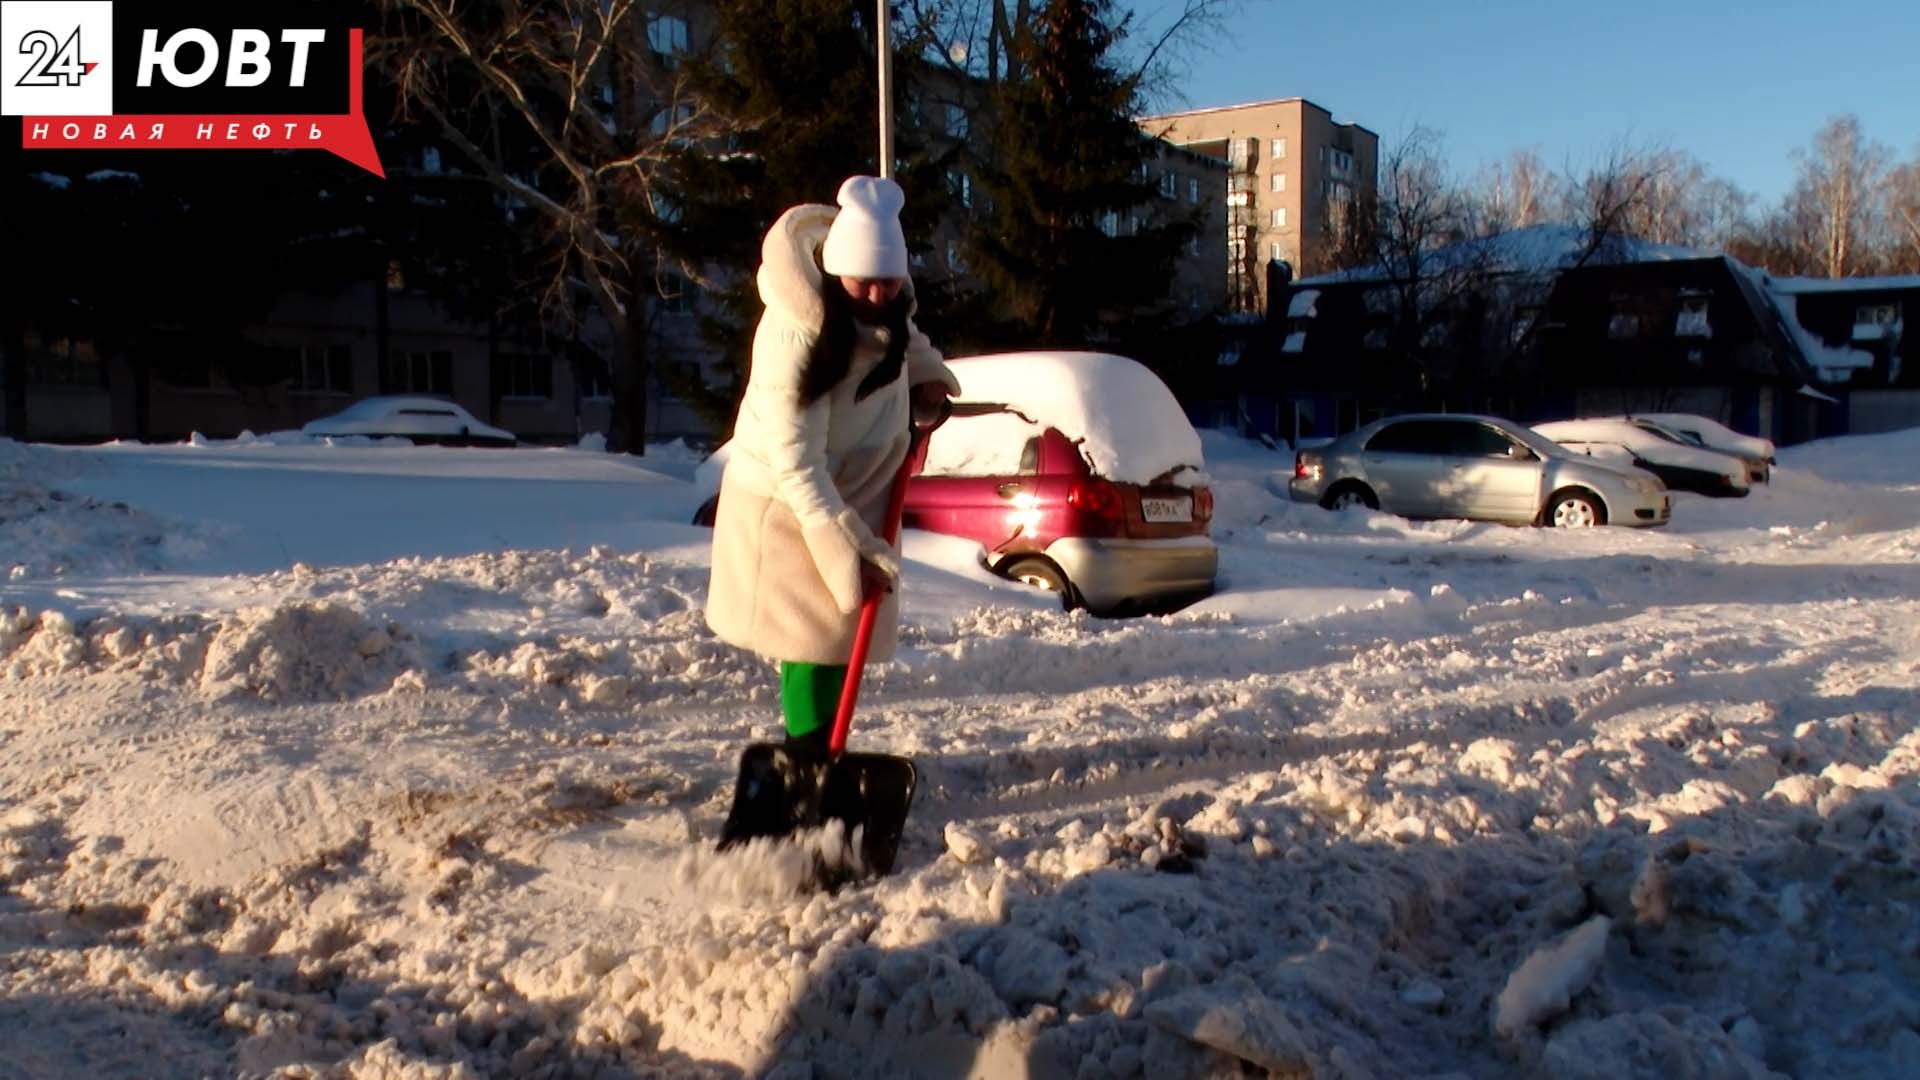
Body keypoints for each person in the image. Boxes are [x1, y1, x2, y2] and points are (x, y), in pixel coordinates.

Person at [705, 175, 957, 759]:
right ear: (837, 268)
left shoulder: (889, 305)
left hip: (853, 490)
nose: (877, 295)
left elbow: (903, 339)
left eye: (889, 282)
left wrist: (926, 380)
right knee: (813, 640)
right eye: (864, 282)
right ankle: (808, 757)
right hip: (795, 504)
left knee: (838, 642)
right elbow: (796, 459)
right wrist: (841, 544)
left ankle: (815, 750)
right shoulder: (796, 332)